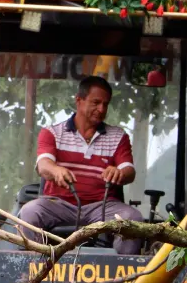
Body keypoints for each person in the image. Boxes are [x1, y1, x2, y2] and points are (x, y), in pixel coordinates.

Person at [20, 76, 144, 255]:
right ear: (79, 100)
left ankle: (122, 272)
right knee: (29, 212)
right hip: (59, 205)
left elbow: (129, 171)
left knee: (133, 219)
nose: (101, 109)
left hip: (103, 206)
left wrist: (119, 172)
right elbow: (44, 165)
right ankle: (37, 268)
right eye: (96, 102)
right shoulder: (52, 132)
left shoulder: (118, 136)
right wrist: (56, 170)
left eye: (105, 104)